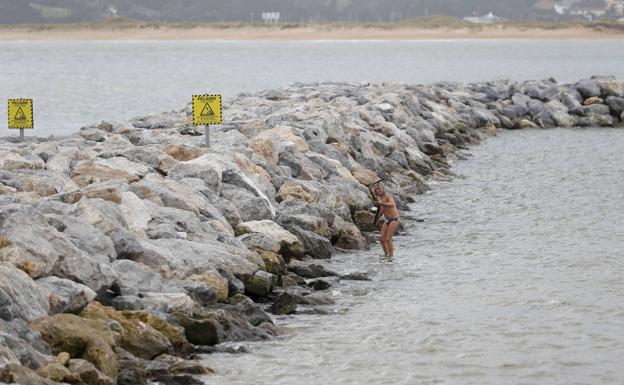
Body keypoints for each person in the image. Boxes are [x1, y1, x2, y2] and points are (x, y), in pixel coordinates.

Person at [373, 182, 399, 258]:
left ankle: (391, 257)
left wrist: (382, 203)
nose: (378, 190)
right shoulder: (378, 198)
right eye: (376, 189)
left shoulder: (388, 195)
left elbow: (392, 204)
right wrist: (376, 217)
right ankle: (386, 255)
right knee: (382, 239)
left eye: (379, 189)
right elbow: (382, 210)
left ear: (383, 189)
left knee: (388, 239)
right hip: (387, 219)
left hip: (394, 219)